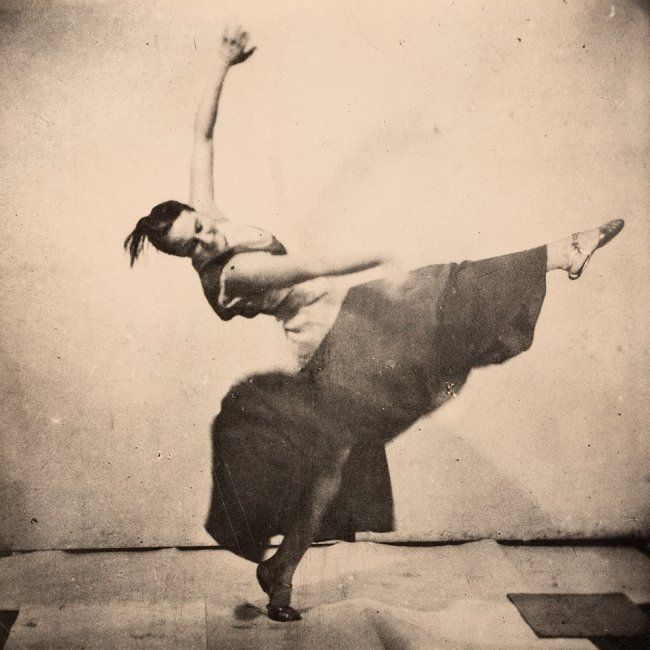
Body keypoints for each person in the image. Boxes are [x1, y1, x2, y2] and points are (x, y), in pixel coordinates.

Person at [124, 27, 625, 621]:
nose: (207, 237)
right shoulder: (232, 273)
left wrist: (222, 61)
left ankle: (281, 571)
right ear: (184, 257)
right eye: (192, 246)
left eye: (200, 226)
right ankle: (560, 252)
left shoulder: (208, 219)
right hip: (338, 348)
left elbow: (202, 137)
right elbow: (313, 266)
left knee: (330, 469)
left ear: (193, 212)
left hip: (343, 331)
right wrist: (384, 254)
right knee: (438, 294)